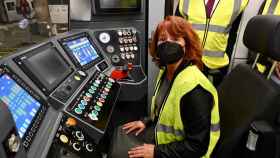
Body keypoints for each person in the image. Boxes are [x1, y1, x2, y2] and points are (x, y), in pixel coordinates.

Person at [110, 16, 220, 158]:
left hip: (182, 153)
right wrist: (146, 121)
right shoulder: (165, 72)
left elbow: (197, 147)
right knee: (120, 131)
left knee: (119, 153)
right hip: (166, 141)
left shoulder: (194, 88)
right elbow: (165, 111)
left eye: (175, 39)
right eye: (162, 39)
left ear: (186, 45)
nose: (168, 43)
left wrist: (157, 152)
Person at [175, 0, 249, 86]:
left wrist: (226, 59)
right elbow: (175, 30)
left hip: (216, 70)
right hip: (188, 64)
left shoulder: (238, 2)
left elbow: (232, 34)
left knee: (211, 98)